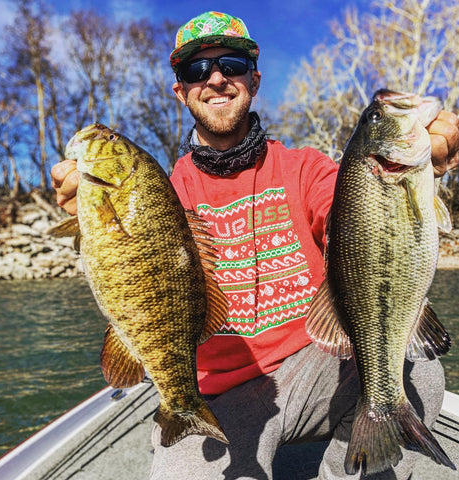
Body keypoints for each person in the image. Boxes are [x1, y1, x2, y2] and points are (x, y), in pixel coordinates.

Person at [52, 11, 459, 480]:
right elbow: (127, 268)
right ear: (179, 90)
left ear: (255, 80)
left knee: (417, 373)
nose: (217, 78)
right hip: (219, 394)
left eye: (232, 63)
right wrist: (89, 211)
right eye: (196, 70)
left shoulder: (306, 168)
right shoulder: (158, 196)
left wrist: (427, 165)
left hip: (317, 364)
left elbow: (365, 225)